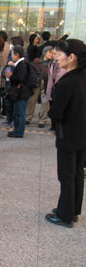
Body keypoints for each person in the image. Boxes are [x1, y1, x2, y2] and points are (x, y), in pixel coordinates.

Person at [45, 39, 86, 228]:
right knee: (77, 173)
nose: (56, 58)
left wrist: (52, 112)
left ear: (71, 57)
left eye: (60, 55)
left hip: (67, 134)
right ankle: (73, 210)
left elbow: (56, 112)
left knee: (66, 176)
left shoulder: (67, 82)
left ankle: (64, 215)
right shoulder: (82, 77)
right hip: (81, 135)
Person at [5, 46, 33, 138]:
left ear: (17, 55)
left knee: (20, 113)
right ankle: (16, 130)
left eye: (12, 54)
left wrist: (11, 76)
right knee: (17, 112)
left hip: (21, 92)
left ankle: (19, 132)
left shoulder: (22, 64)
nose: (11, 56)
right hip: (20, 93)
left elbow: (20, 78)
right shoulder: (20, 63)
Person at [25, 46, 53, 128]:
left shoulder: (53, 63)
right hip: (36, 82)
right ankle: (28, 117)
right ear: (45, 52)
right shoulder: (37, 61)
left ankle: (42, 120)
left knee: (45, 102)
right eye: (50, 52)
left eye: (53, 53)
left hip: (47, 83)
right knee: (31, 100)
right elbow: (31, 70)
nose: (51, 54)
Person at [46, 46, 67, 131]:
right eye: (52, 53)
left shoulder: (64, 64)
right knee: (52, 106)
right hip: (52, 88)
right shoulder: (51, 63)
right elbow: (50, 77)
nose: (53, 55)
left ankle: (58, 125)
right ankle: (53, 125)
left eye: (55, 53)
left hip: (60, 88)